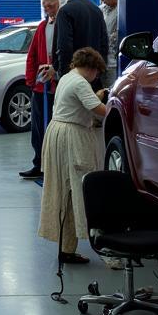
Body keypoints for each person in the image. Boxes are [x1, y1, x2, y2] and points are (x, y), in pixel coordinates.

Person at [37, 47, 108, 265]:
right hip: (72, 137)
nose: (97, 76)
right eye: (97, 72)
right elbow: (98, 109)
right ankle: (104, 246)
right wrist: (118, 108)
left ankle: (66, 249)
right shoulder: (80, 82)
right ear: (91, 68)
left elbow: (79, 104)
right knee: (83, 191)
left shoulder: (68, 78)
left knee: (65, 192)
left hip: (57, 133)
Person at [19, 0, 60, 180]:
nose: (47, 9)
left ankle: (54, 166)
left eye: (50, 5)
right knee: (37, 128)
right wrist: (30, 80)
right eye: (45, 6)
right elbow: (32, 55)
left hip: (57, 86)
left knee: (54, 127)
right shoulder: (42, 26)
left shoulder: (63, 24)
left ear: (57, 5)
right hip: (40, 86)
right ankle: (39, 163)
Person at [42, 0, 110, 87]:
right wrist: (99, 70)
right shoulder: (96, 9)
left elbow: (64, 46)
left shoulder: (65, 11)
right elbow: (104, 41)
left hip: (75, 75)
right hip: (94, 74)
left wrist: (63, 74)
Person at [100, 0, 119, 86]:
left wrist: (109, 38)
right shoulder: (102, 9)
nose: (103, 1)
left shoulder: (120, 11)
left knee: (111, 87)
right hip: (102, 56)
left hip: (113, 58)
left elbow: (118, 33)